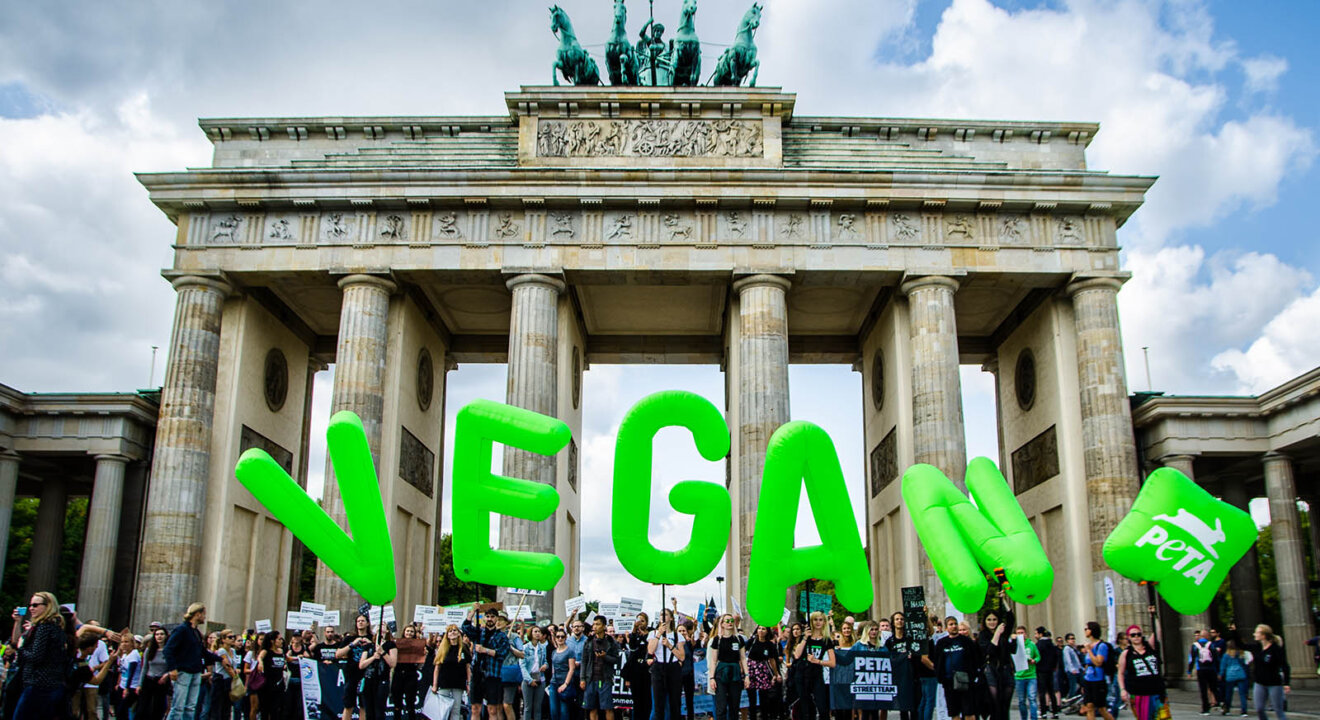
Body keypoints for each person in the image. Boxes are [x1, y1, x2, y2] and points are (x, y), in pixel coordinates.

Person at [164, 603, 223, 720]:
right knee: (178, 706)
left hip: (195, 672)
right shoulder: (182, 630)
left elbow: (202, 652)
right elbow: (168, 650)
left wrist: (220, 659)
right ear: (197, 614)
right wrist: (172, 668)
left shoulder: (196, 632)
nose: (204, 618)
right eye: (203, 615)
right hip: (183, 672)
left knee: (191, 707)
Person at [934, 616, 981, 720]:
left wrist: (973, 675)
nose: (954, 626)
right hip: (949, 681)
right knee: (954, 712)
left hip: (965, 680)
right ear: (946, 628)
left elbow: (975, 659)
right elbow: (937, 661)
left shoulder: (966, 641)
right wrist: (941, 677)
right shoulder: (941, 643)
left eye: (955, 624)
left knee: (969, 711)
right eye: (951, 624)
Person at [580, 616, 623, 720]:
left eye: (598, 624)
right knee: (592, 708)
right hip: (590, 678)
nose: (595, 626)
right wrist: (582, 679)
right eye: (594, 624)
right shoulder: (589, 641)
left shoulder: (611, 642)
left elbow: (616, 659)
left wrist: (605, 657)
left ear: (604, 626)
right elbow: (584, 661)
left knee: (607, 708)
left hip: (605, 678)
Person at [795, 611, 836, 720]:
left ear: (824, 622)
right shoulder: (805, 637)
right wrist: (804, 638)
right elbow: (797, 655)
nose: (818, 622)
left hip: (816, 673)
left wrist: (818, 661)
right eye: (815, 619)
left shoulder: (826, 640)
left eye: (820, 620)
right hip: (802, 672)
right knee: (805, 707)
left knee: (822, 706)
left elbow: (832, 663)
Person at [1116, 626, 1163, 720]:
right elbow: (1120, 673)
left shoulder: (1150, 648)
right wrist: (1122, 690)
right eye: (1133, 635)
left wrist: (1154, 614)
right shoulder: (1126, 653)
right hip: (1139, 693)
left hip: (1157, 690)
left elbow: (1158, 631)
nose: (1136, 637)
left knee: (1162, 718)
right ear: (1129, 637)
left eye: (1139, 634)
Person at [1243, 625, 1289, 720]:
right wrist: (1233, 632)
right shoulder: (1257, 647)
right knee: (1259, 708)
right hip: (1260, 682)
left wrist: (1286, 683)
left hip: (1274, 683)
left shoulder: (1275, 649)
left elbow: (1285, 666)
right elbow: (1241, 645)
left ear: (1263, 635)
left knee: (1278, 710)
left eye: (1257, 632)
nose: (1254, 634)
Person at [708, 614, 749, 720]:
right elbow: (713, 660)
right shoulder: (717, 640)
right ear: (721, 624)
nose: (730, 622)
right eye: (727, 621)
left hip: (735, 673)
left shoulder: (739, 639)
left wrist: (747, 675)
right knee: (721, 707)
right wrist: (712, 678)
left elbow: (743, 658)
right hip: (721, 673)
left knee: (734, 706)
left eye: (731, 620)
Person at [979, 602, 1016, 720]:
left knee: (1005, 704)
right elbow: (989, 650)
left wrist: (1003, 600)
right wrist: (996, 634)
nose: (992, 622)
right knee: (995, 704)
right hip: (991, 670)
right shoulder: (983, 635)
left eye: (994, 619)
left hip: (1006, 669)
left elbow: (1011, 618)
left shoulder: (1004, 633)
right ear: (985, 621)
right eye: (989, 619)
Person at [338, 614, 377, 720]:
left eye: (363, 621)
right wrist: (352, 644)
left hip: (366, 674)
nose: (360, 622)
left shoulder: (372, 638)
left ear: (368, 623)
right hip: (351, 674)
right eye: (358, 621)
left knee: (364, 704)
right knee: (348, 704)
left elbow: (379, 652)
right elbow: (338, 654)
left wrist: (371, 644)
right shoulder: (350, 638)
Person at [434, 624, 472, 720]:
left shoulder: (464, 648)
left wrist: (469, 683)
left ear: (459, 634)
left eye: (455, 630)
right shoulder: (442, 649)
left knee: (456, 710)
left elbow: (468, 667)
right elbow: (437, 668)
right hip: (444, 683)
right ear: (447, 635)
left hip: (458, 684)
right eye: (450, 631)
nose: (453, 632)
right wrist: (435, 684)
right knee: (443, 710)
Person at [359, 627, 397, 720]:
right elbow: (361, 665)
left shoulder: (390, 645)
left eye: (384, 624)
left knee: (379, 711)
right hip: (369, 679)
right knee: (369, 711)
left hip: (382, 680)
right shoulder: (369, 646)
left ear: (387, 630)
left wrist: (382, 652)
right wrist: (373, 657)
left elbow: (392, 663)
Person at [1080, 623, 1114, 720]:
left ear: (1092, 630)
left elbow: (1098, 662)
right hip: (1088, 679)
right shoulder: (1090, 645)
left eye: (1086, 629)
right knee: (1089, 706)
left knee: (1101, 708)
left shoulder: (1101, 646)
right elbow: (1087, 663)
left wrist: (1089, 651)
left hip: (1098, 680)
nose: (1085, 631)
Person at [746, 625, 779, 720]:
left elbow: (772, 660)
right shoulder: (751, 641)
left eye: (763, 629)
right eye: (759, 628)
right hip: (751, 669)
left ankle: (764, 716)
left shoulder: (770, 645)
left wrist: (776, 674)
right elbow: (743, 654)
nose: (761, 631)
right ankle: (752, 717)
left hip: (763, 670)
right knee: (751, 697)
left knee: (763, 696)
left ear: (767, 632)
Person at [393, 624, 424, 720]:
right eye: (407, 631)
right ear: (404, 632)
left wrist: (423, 656)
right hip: (398, 674)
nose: (409, 633)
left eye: (411, 631)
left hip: (411, 675)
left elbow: (420, 665)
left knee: (410, 701)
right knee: (397, 701)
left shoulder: (417, 645)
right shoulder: (397, 643)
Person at [625, 614, 652, 720]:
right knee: (637, 701)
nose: (640, 623)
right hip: (636, 673)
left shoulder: (651, 634)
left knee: (647, 700)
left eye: (643, 621)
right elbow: (632, 648)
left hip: (647, 672)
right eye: (638, 621)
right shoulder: (634, 635)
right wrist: (635, 630)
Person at [255, 631, 286, 720]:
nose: (281, 641)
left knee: (276, 710)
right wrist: (260, 663)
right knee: (265, 710)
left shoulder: (281, 651)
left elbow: (287, 659)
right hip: (267, 685)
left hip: (279, 684)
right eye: (279, 639)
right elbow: (259, 657)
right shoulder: (266, 651)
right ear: (272, 641)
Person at [548, 627, 578, 720]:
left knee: (563, 711)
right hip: (554, 683)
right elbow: (553, 667)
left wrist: (565, 684)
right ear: (555, 638)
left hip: (565, 683)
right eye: (558, 637)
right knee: (553, 710)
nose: (560, 638)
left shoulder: (570, 651)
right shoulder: (554, 652)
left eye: (562, 637)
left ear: (565, 638)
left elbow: (572, 669)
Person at [521, 625, 550, 720]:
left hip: (540, 678)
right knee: (528, 707)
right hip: (528, 678)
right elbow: (523, 666)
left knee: (538, 707)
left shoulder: (542, 648)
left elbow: (546, 661)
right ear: (531, 633)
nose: (538, 634)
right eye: (535, 631)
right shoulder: (525, 647)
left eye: (539, 632)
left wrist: (545, 665)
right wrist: (529, 680)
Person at [1189, 630, 1221, 715]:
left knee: (1203, 689)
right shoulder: (1211, 645)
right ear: (1207, 636)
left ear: (1200, 636)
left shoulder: (1195, 646)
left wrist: (1189, 671)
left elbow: (1191, 659)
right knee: (1214, 687)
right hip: (1211, 669)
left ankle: (1205, 709)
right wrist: (1218, 671)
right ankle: (1221, 703)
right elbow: (1216, 658)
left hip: (1201, 669)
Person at [1012, 627, 1040, 720]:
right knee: (1021, 701)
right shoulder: (1015, 645)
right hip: (1019, 676)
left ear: (1026, 634)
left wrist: (1034, 660)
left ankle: (1033, 718)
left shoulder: (1031, 644)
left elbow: (1038, 656)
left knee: (1032, 698)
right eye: (1018, 633)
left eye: (1022, 632)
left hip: (1031, 675)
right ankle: (1023, 718)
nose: (1020, 635)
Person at [1218, 641, 1250, 717]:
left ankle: (1227, 709)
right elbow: (1244, 664)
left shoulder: (1226, 655)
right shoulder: (1240, 654)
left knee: (1229, 693)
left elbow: (1223, 665)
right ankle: (1244, 711)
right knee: (1242, 693)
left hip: (1230, 675)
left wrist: (1221, 674)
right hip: (1240, 673)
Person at [1034, 629, 1059, 720]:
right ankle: (1055, 711)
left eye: (1036, 633)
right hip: (1050, 671)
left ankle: (1043, 712)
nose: (1035, 635)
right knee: (1051, 691)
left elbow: (1036, 656)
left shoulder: (1039, 645)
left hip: (1041, 671)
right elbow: (1056, 656)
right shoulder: (1051, 644)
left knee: (1042, 692)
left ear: (1040, 634)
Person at [677, 622, 697, 720]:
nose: (682, 632)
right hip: (677, 675)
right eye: (679, 631)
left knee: (689, 701)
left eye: (683, 630)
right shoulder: (674, 643)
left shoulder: (689, 643)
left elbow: (695, 642)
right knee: (677, 700)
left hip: (689, 675)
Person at [1061, 635, 1082, 699]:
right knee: (1073, 686)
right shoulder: (1067, 649)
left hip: (1077, 670)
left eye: (1073, 639)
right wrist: (1072, 669)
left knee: (1082, 684)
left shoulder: (1073, 648)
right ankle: (1070, 699)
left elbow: (1077, 660)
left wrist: (1081, 668)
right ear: (1067, 640)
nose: (1073, 640)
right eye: (1071, 639)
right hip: (1072, 671)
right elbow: (1068, 660)